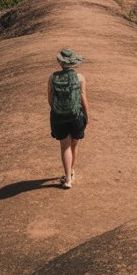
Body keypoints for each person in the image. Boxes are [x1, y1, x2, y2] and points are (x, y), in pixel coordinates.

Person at [48, 48, 89, 189]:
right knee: (74, 144)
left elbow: (50, 99)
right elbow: (83, 98)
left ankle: (67, 180)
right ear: (73, 62)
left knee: (65, 146)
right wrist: (87, 115)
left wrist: (59, 111)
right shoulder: (80, 77)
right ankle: (71, 172)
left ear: (61, 63)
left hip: (59, 117)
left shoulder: (52, 77)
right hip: (76, 115)